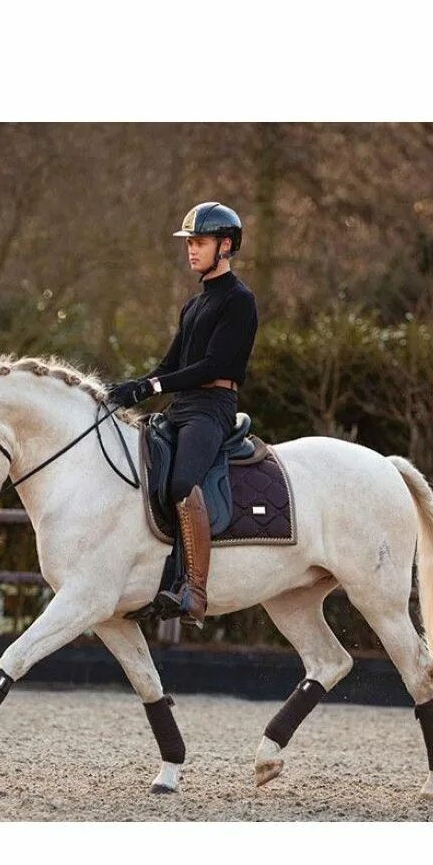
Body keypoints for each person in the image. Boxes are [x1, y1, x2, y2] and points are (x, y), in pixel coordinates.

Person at [108, 201, 259, 627]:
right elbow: (170, 365)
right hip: (182, 407)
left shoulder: (239, 301)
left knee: (180, 481)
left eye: (201, 242)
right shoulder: (194, 305)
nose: (192, 250)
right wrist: (134, 387)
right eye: (190, 242)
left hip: (213, 407)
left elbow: (213, 365)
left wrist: (154, 387)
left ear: (225, 246)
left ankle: (193, 588)